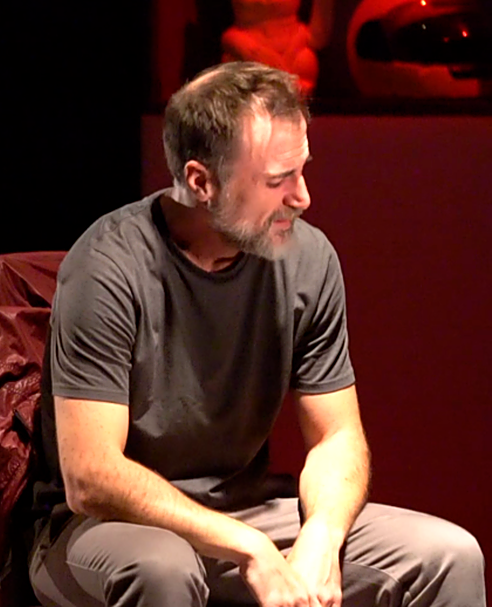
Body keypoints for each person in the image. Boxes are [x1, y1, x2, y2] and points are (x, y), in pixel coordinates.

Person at [28, 61, 485, 607]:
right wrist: (248, 547)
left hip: (246, 512)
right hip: (105, 530)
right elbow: (91, 476)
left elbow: (337, 436)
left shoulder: (308, 260)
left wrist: (322, 535)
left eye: (302, 170)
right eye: (277, 180)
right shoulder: (108, 267)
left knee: (449, 555)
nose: (302, 197)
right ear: (201, 182)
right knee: (163, 567)